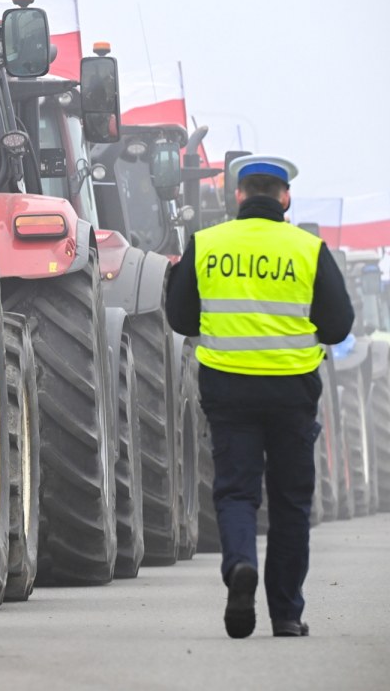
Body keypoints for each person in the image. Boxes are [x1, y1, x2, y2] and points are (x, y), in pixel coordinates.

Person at [164, 155, 353, 639]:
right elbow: (338, 325)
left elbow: (181, 319)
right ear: (285, 198)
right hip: (292, 392)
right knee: (291, 502)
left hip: (228, 389)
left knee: (236, 492)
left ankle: (241, 566)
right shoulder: (308, 249)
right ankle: (286, 614)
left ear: (239, 196)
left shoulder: (206, 244)